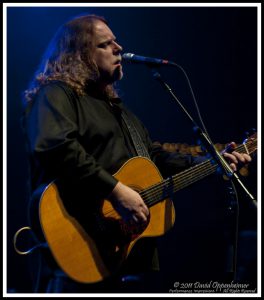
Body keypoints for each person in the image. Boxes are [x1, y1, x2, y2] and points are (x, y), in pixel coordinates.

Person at [21, 14, 252, 293]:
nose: (118, 48)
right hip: (79, 244)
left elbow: (153, 157)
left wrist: (213, 162)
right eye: (105, 44)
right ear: (78, 55)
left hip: (127, 260)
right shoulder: (57, 94)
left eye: (116, 42)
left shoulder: (122, 113)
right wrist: (116, 192)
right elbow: (55, 146)